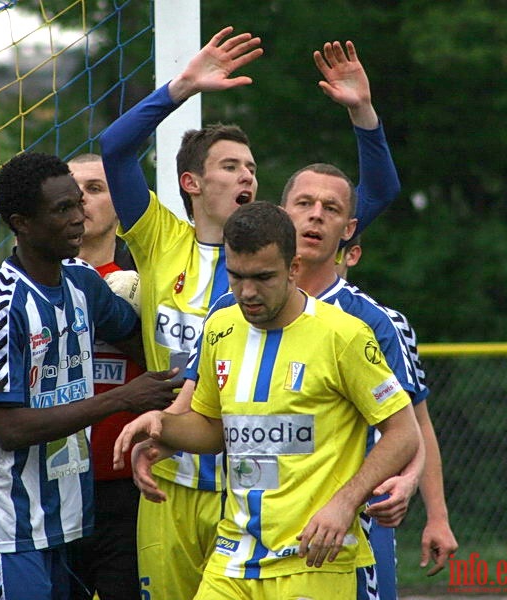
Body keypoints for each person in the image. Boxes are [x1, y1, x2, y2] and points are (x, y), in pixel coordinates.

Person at [100, 28, 401, 599]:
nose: (247, 176)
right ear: (190, 182)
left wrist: (363, 112)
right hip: (173, 478)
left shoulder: (272, 243)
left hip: (254, 497)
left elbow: (373, 198)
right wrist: (180, 87)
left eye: (252, 167)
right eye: (231, 166)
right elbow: (114, 149)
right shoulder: (162, 240)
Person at [115, 201, 420, 599]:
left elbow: (403, 433)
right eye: (236, 276)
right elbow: (212, 429)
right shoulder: (221, 325)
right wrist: (161, 428)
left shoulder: (344, 335)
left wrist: (345, 504)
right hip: (233, 556)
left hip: (313, 558)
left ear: (293, 269)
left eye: (262, 277)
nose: (247, 292)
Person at [0, 152, 177, 600]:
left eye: (79, 203)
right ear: (21, 222)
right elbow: (10, 428)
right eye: (62, 208)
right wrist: (122, 398)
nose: (78, 217)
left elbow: (140, 345)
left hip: (60, 521)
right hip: (0, 527)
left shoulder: (82, 282)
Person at [337, 235, 458, 587]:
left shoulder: (382, 323)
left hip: (361, 513)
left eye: (330, 211)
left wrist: (437, 515)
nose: (316, 219)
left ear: (351, 252)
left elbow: (416, 424)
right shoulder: (247, 311)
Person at [64, 153, 147, 600]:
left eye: (95, 189)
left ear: (121, 205)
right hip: (53, 487)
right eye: (72, 190)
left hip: (125, 490)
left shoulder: (144, 284)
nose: (80, 200)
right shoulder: (30, 284)